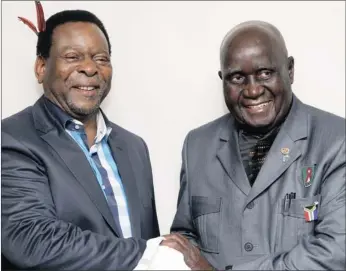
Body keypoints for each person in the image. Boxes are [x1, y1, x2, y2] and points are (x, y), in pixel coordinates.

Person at [166, 20, 346, 270]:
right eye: (237, 78)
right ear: (223, 80)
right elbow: (185, 240)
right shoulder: (197, 145)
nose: (252, 90)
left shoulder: (337, 141)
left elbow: (335, 253)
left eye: (265, 74)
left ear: (290, 70)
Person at [1, 2, 160, 269]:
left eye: (101, 58)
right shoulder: (12, 139)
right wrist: (146, 252)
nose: (90, 68)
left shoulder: (134, 147)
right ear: (41, 68)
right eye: (73, 57)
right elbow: (30, 239)